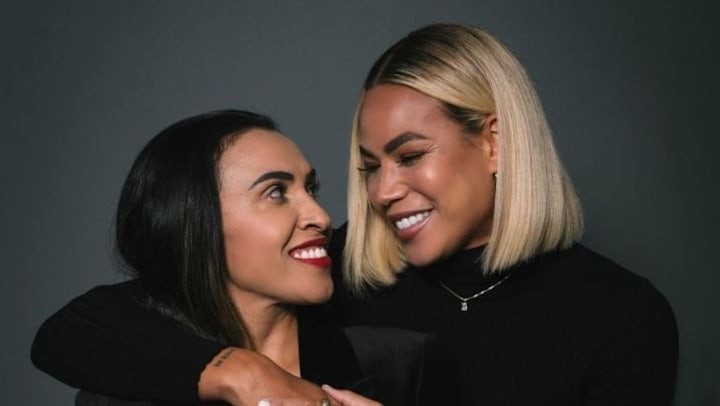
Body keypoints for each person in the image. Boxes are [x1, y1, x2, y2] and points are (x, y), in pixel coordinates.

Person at [32, 24, 678, 405]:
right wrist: (249, 375)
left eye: (410, 156)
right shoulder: (328, 272)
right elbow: (83, 327)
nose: (382, 191)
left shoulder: (621, 316)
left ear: (494, 142)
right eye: (370, 166)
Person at [31, 109, 434, 406]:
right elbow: (69, 329)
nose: (321, 216)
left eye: (311, 189)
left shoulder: (395, 361)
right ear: (196, 224)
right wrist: (242, 371)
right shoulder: (124, 388)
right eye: (276, 192)